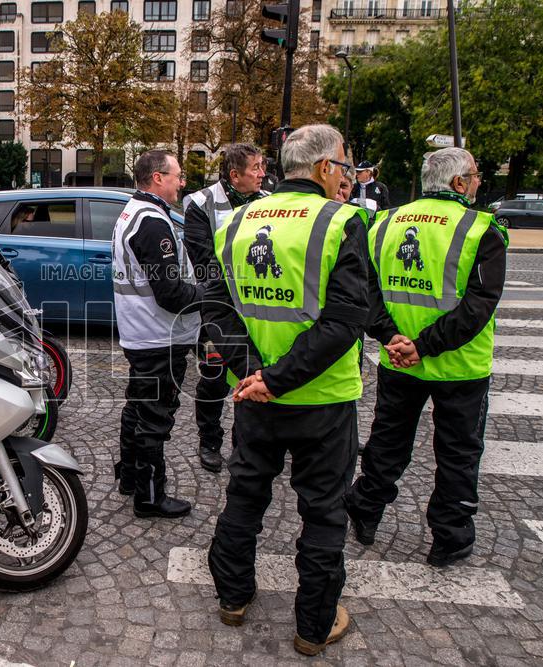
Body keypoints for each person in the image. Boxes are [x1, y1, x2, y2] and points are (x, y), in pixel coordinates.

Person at [203, 124, 368, 655]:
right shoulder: (343, 220)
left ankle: (232, 598)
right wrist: (278, 378)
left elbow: (216, 309)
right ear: (324, 168)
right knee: (322, 513)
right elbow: (344, 320)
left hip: (255, 397)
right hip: (322, 398)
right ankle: (312, 629)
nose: (345, 175)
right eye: (343, 165)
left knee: (245, 498)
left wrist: (258, 375)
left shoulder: (237, 220)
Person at [346, 147, 507, 569]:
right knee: (458, 452)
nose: (478, 182)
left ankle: (365, 509)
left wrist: (391, 337)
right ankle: (449, 537)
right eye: (475, 175)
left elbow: (365, 292)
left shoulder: (384, 222)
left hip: (398, 359)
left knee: (387, 441)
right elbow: (479, 306)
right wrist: (425, 345)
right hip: (460, 367)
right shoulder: (482, 229)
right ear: (458, 183)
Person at [112, 150, 204, 519]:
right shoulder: (151, 221)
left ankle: (130, 478)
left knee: (137, 407)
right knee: (154, 417)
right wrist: (210, 296)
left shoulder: (133, 211)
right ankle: (149, 496)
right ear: (157, 178)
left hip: (143, 333)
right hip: (157, 336)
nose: (182, 182)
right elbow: (170, 294)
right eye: (178, 176)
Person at [183, 144, 267, 473]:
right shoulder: (201, 204)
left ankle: (243, 441)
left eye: (262, 167)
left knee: (252, 372)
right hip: (218, 308)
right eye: (256, 168)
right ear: (235, 175)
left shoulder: (267, 202)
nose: (262, 173)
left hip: (257, 309)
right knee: (214, 378)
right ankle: (209, 441)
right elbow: (203, 261)